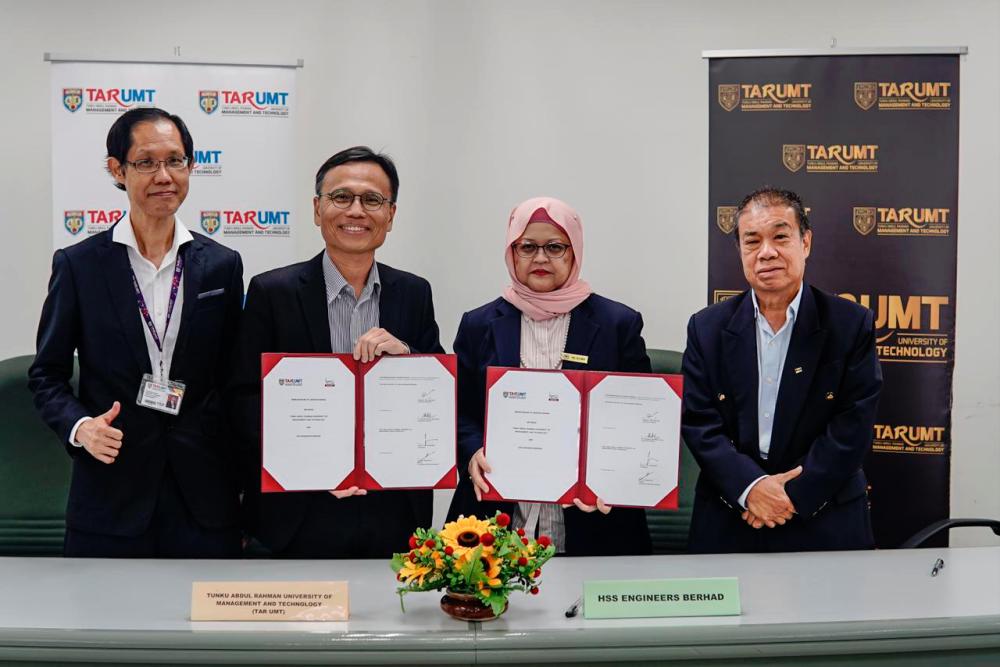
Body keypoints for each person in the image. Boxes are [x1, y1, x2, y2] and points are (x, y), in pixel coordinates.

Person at [28, 108, 244, 557]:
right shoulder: (80, 265)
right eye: (146, 162)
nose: (164, 176)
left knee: (206, 626)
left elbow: (233, 379)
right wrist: (81, 427)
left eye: (176, 161)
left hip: (204, 499)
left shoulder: (222, 264)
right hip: (111, 494)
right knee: (105, 623)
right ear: (117, 170)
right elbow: (46, 375)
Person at [229, 146, 444, 558]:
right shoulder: (271, 292)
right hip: (298, 509)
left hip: (393, 508)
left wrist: (409, 356)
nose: (357, 211)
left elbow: (437, 395)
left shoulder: (414, 293)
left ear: (391, 215)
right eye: (341, 197)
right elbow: (242, 400)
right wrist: (310, 462)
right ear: (317, 209)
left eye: (372, 200)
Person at [446, 197, 652, 556]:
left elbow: (639, 417)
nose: (540, 258)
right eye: (527, 247)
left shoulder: (617, 324)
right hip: (495, 508)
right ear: (512, 252)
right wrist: (471, 450)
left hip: (593, 514)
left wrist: (611, 473)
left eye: (555, 247)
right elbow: (458, 409)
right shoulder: (478, 324)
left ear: (575, 253)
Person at [682, 187, 882, 553]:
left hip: (824, 514)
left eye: (780, 237)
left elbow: (851, 427)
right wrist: (751, 489)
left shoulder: (850, 325)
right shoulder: (706, 328)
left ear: (805, 242)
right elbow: (699, 423)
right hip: (732, 512)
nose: (766, 252)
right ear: (740, 251)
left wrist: (789, 496)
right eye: (752, 241)